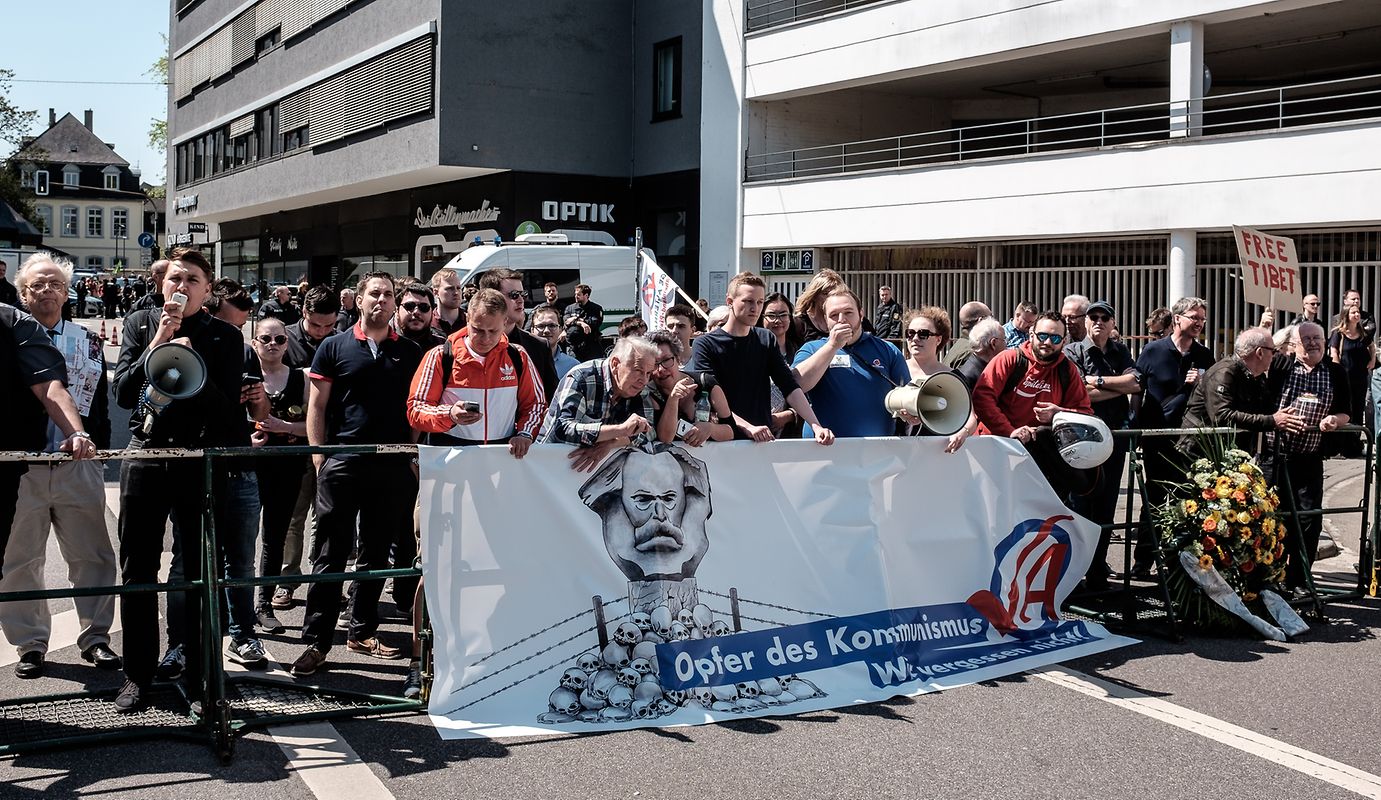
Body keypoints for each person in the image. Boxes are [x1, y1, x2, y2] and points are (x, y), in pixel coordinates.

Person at [111, 248, 256, 713]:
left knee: (196, 570)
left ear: (207, 290)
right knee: (137, 569)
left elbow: (229, 417)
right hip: (146, 456)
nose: (182, 286)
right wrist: (159, 341)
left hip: (197, 459)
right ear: (161, 283)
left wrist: (194, 372)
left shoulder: (226, 338)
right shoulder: (140, 323)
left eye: (193, 279)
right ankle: (137, 674)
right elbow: (122, 395)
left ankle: (198, 675)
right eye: (175, 277)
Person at [291, 273, 424, 677]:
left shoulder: (412, 352)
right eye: (374, 294)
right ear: (360, 301)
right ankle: (316, 641)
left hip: (390, 465)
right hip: (342, 462)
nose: (381, 301)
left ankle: (362, 629)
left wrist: (409, 451)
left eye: (388, 295)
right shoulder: (334, 346)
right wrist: (320, 458)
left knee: (375, 552)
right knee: (330, 553)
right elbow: (317, 406)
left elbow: (417, 407)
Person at [2, 254, 117, 678]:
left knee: (93, 555)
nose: (46, 290)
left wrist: (96, 443)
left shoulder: (88, 339)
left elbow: (100, 399)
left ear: (68, 292)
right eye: (37, 285)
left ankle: (96, 637)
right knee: (20, 559)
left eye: (54, 284)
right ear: (23, 293)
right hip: (25, 464)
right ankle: (29, 643)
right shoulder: (10, 335)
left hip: (77, 463)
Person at [688, 272, 833, 445]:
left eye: (759, 302)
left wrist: (816, 425)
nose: (755, 308)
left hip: (762, 440)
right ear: (729, 302)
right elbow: (710, 396)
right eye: (748, 301)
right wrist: (747, 427)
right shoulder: (705, 343)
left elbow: (789, 386)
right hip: (723, 441)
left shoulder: (766, 338)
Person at [1262, 321, 1351, 592]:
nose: (1313, 343)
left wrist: (1333, 420)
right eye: (1306, 339)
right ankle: (1269, 579)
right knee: (1272, 519)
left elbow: (1347, 412)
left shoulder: (1336, 371)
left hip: (1310, 457)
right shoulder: (1281, 365)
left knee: (1309, 520)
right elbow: (1259, 353)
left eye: (1318, 338)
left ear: (1326, 342)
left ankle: (1299, 579)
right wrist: (1267, 325)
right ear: (1294, 344)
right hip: (1275, 456)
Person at [1132, 296, 1215, 576]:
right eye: (1194, 317)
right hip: (1158, 437)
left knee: (1185, 500)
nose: (1199, 323)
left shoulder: (1204, 355)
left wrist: (1201, 384)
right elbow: (1137, 392)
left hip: (1191, 440)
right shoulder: (1153, 351)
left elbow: (1212, 397)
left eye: (1202, 319)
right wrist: (1135, 429)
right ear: (1177, 319)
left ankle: (1177, 562)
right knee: (1154, 498)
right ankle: (1143, 560)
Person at [972, 312, 1094, 499]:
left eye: (1055, 338)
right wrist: (1010, 431)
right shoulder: (1009, 359)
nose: (1047, 342)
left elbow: (1084, 412)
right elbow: (982, 398)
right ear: (1031, 335)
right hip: (999, 454)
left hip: (1042, 463)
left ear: (1064, 340)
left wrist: (1058, 414)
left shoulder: (1067, 370)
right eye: (1042, 336)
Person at [407, 287, 545, 451]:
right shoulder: (440, 356)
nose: (485, 338)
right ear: (467, 320)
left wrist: (525, 434)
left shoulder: (518, 356)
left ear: (505, 322)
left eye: (493, 331)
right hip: (450, 457)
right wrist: (449, 414)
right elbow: (416, 409)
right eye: (478, 330)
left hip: (502, 456)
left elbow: (536, 405)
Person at [1063, 301, 1139, 590]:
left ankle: (1097, 570)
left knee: (1107, 506)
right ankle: (1073, 573)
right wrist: (1115, 387)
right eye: (1092, 316)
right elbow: (1080, 393)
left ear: (1112, 322)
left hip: (1115, 437)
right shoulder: (1073, 351)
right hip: (1082, 439)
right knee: (1080, 505)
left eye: (1103, 317)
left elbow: (1136, 383)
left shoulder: (1121, 351)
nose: (1097, 321)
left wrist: (1099, 382)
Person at [247, 316, 310, 635]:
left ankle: (263, 604)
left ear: (288, 343)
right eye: (266, 339)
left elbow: (315, 427)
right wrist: (247, 439)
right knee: (242, 539)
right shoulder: (243, 377)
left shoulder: (302, 378)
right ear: (254, 342)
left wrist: (286, 427)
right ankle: (236, 608)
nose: (273, 345)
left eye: (280, 340)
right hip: (248, 467)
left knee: (274, 537)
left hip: (288, 468)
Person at [791, 290, 907, 439]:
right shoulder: (811, 349)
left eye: (848, 313)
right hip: (824, 449)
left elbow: (905, 391)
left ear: (861, 314)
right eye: (834, 315)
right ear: (826, 320)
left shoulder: (887, 350)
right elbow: (796, 386)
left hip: (877, 451)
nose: (842, 320)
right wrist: (832, 346)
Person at [1176, 328, 1305, 458]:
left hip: (1228, 451)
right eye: (1273, 351)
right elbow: (1222, 416)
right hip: (1199, 452)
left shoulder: (1257, 377)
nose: (1275, 356)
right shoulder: (1224, 373)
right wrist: (1272, 421)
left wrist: (1287, 418)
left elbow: (1266, 408)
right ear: (1260, 353)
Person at [538, 336, 659, 471]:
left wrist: (614, 441)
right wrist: (621, 430)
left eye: (648, 373)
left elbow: (650, 431)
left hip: (587, 473)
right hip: (547, 466)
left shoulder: (639, 389)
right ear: (615, 364)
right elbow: (562, 429)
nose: (644, 380)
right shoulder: (582, 377)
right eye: (638, 370)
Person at [900, 306, 977, 452]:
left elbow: (970, 418)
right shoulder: (895, 370)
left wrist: (963, 433)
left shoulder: (953, 376)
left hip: (940, 454)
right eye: (910, 333)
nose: (915, 338)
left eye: (923, 334)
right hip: (900, 454)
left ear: (938, 339)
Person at [478, 268, 558, 399]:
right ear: (491, 298)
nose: (521, 300)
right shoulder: (466, 344)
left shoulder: (538, 346)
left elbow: (551, 399)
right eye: (514, 295)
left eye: (523, 294)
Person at [645, 330, 734, 447]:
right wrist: (673, 399)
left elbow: (731, 431)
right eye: (655, 364)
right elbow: (665, 438)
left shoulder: (706, 383)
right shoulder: (648, 393)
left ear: (678, 359)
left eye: (666, 360)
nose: (661, 369)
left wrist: (710, 428)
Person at [1327, 305, 1373, 452]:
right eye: (1353, 312)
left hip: (1360, 378)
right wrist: (1337, 369)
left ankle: (1354, 444)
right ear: (1346, 315)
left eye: (1358, 312)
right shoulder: (1338, 334)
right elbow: (1333, 351)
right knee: (1345, 409)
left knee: (1358, 410)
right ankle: (1340, 443)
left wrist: (1372, 360)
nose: (1357, 315)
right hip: (1344, 378)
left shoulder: (1363, 333)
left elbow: (1372, 346)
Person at [761, 293, 802, 436]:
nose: (777, 320)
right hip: (756, 428)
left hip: (789, 434)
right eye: (771, 315)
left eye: (783, 315)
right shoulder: (752, 349)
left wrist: (789, 415)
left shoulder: (800, 352)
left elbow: (810, 395)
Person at [284, 286, 341, 369]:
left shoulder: (343, 342)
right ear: (304, 312)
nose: (321, 332)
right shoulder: (282, 339)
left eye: (329, 325)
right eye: (315, 325)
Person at [532, 306, 580, 384]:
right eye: (541, 326)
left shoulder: (573, 367)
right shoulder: (522, 363)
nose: (546, 331)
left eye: (552, 326)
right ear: (532, 330)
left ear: (560, 330)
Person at [956, 317, 1005, 391]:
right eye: (1004, 340)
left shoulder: (975, 368)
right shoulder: (973, 377)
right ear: (993, 343)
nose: (1006, 345)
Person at [394, 283, 446, 350]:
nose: (416, 312)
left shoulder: (443, 345)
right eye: (409, 306)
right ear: (397, 310)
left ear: (432, 311)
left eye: (424, 307)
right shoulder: (384, 342)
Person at [562, 283, 606, 361]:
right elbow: (566, 322)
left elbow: (595, 323)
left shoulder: (596, 308)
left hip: (591, 346)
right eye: (575, 294)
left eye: (578, 294)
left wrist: (575, 320)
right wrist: (580, 323)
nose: (576, 296)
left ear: (586, 295)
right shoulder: (570, 308)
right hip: (574, 348)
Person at [943, 301, 992, 368]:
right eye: (991, 317)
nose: (993, 321)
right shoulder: (973, 352)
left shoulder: (958, 346)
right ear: (981, 320)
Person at [430, 268, 465, 336]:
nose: (456, 292)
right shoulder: (428, 323)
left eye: (458, 288)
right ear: (436, 292)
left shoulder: (471, 322)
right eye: (450, 288)